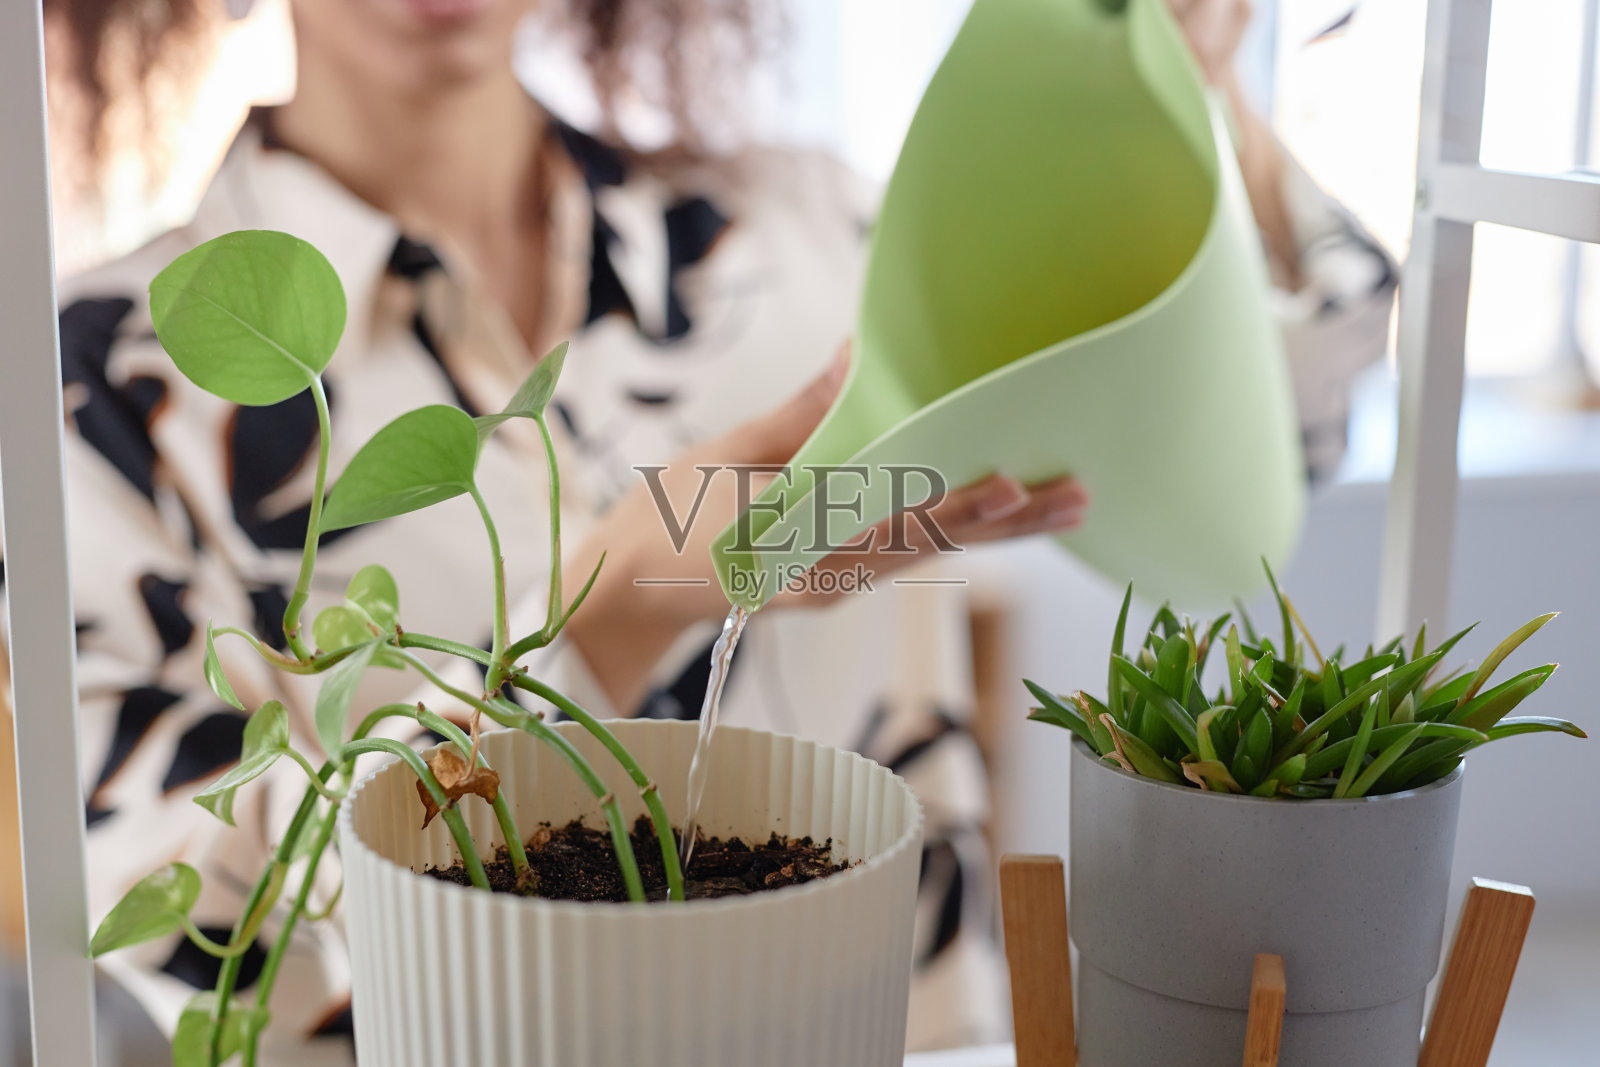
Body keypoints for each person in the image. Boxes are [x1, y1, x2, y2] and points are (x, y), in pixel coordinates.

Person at [28, 0, 1394, 1058]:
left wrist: (1187, 82)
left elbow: (1286, 435)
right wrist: (608, 612)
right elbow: (200, 927)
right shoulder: (107, 383)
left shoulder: (809, 242)